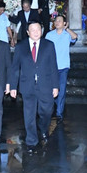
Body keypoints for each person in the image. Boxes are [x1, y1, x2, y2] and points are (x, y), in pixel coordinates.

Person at [8, 20, 59, 154]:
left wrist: (55, 86)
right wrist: (13, 86)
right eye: (33, 30)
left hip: (46, 86)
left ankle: (43, 127)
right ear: (27, 32)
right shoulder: (21, 47)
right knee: (29, 115)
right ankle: (31, 141)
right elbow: (15, 68)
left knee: (46, 111)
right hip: (27, 86)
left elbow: (53, 66)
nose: (36, 32)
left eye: (38, 29)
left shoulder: (49, 45)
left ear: (42, 31)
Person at [45, 14, 77, 122]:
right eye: (56, 21)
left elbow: (75, 37)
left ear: (64, 23)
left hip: (63, 67)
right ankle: (54, 106)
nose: (57, 22)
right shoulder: (49, 35)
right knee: (51, 89)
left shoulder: (67, 34)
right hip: (51, 67)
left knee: (62, 90)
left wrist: (66, 28)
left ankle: (59, 113)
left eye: (60, 21)